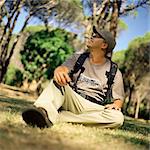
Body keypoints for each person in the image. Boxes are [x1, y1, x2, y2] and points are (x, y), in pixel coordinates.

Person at [22, 26, 125, 129]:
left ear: (104, 45)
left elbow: (118, 99)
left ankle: (58, 117)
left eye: (96, 36)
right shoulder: (78, 57)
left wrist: (116, 105)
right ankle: (42, 111)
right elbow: (63, 69)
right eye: (92, 35)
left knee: (118, 118)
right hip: (73, 99)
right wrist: (59, 71)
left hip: (94, 107)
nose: (91, 37)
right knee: (57, 82)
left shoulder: (114, 71)